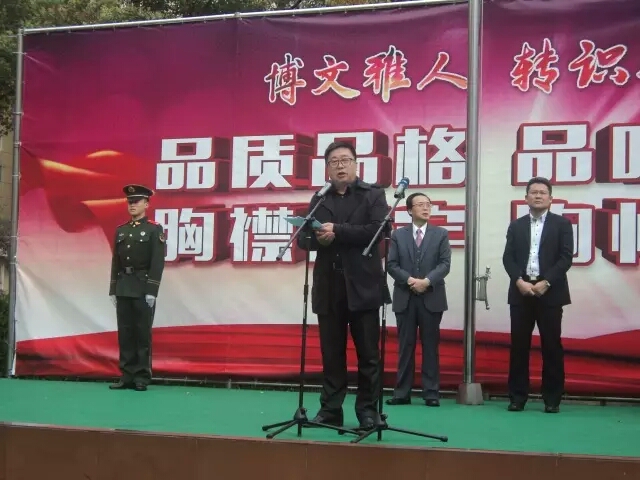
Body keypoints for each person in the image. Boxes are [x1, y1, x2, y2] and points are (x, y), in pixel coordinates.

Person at [297, 140, 389, 430]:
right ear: (327, 168)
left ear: (355, 164)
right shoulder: (320, 198)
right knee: (332, 354)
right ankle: (330, 410)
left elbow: (376, 231)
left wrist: (337, 231)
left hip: (363, 285)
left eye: (345, 160)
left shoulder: (373, 194)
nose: (340, 166)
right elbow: (303, 239)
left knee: (368, 355)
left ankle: (367, 412)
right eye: (334, 161)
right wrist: (318, 239)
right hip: (329, 286)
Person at [502, 176, 573, 413]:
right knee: (519, 346)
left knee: (551, 346)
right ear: (526, 198)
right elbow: (508, 258)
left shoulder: (562, 224)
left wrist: (546, 282)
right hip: (521, 291)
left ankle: (552, 399)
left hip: (550, 293)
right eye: (534, 192)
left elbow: (565, 258)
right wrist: (519, 281)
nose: (538, 196)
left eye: (543, 192)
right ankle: (517, 397)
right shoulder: (516, 225)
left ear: (551, 199)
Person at [385, 193, 451, 407]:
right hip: (405, 296)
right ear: (409, 210)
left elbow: (444, 264)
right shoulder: (398, 235)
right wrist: (410, 280)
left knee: (430, 346)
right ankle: (402, 392)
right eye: (420, 205)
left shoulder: (441, 234)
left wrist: (427, 281)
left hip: (431, 296)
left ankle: (431, 393)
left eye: (428, 204)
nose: (426, 208)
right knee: (405, 346)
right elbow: (392, 265)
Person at [109, 184, 166, 391]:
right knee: (125, 333)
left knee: (142, 333)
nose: (132, 205)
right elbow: (116, 261)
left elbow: (157, 262)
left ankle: (141, 376)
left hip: (142, 287)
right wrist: (113, 288)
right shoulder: (121, 230)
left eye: (136, 202)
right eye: (130, 202)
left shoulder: (153, 229)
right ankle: (127, 375)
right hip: (124, 286)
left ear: (146, 204)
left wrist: (152, 290)